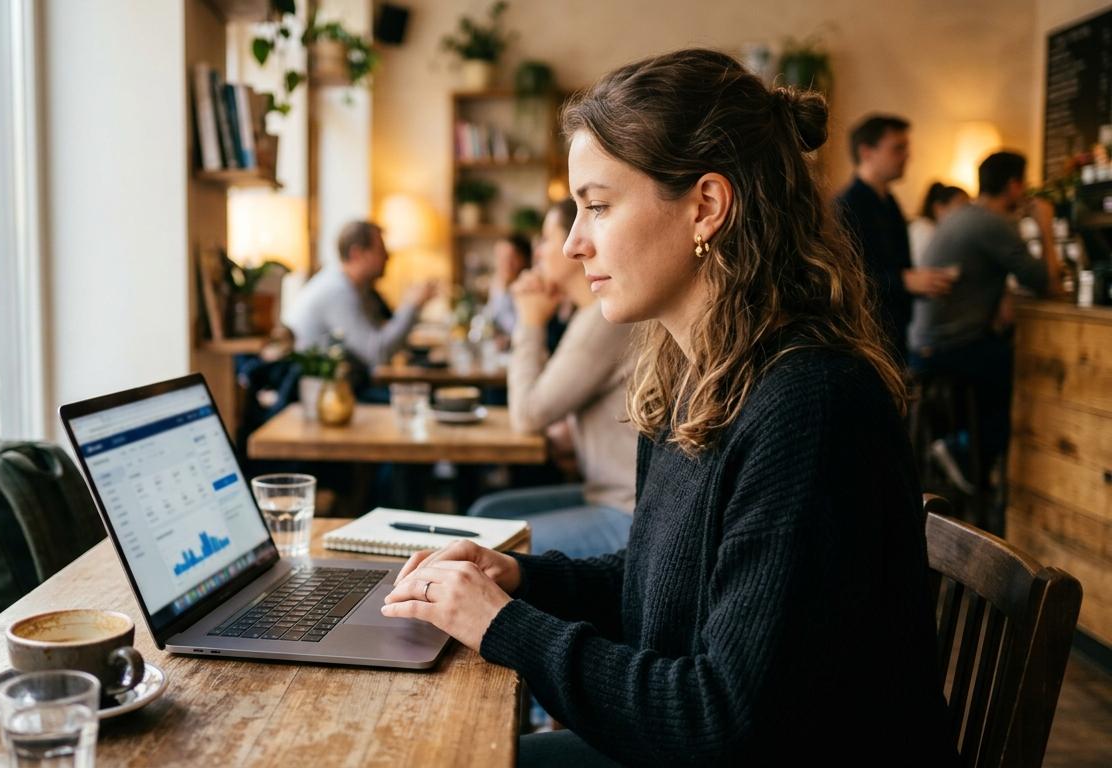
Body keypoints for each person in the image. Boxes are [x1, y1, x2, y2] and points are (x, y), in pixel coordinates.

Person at [381, 49, 955, 766]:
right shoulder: (695, 371)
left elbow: (722, 719)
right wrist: (525, 580)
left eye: (597, 206)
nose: (571, 242)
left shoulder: (812, 406)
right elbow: (656, 581)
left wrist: (504, 627)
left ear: (706, 207)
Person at [467, 198, 636, 558]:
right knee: (486, 514)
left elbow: (526, 415)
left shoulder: (604, 321)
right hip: (602, 493)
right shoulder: (588, 316)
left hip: (626, 513)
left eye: (546, 239)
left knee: (481, 543)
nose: (537, 251)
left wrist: (529, 320)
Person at [910, 151, 1063, 501]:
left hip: (925, 343)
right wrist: (1045, 225)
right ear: (1014, 186)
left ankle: (967, 453)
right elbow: (1048, 283)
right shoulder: (992, 224)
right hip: (946, 347)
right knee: (1023, 372)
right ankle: (963, 452)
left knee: (997, 360)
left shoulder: (964, 215)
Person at [836, 114, 956, 362]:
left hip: (894, 333)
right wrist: (904, 282)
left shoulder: (890, 203)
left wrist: (921, 282)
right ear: (867, 152)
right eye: (898, 148)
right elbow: (843, 279)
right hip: (864, 337)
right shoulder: (846, 207)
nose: (907, 156)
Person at [284, 221, 437, 372]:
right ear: (356, 254)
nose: (387, 257)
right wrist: (411, 306)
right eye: (381, 250)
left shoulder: (358, 288)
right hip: (320, 390)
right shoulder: (337, 291)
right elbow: (377, 354)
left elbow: (387, 340)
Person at [482, 233, 532, 337]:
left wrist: (501, 293)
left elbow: (518, 331)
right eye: (500, 257)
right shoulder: (499, 284)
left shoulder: (529, 290)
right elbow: (489, 319)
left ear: (525, 260)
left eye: (511, 257)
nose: (504, 263)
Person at [910, 182, 971, 263]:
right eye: (961, 208)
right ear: (939, 208)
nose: (967, 214)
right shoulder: (923, 228)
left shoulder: (942, 231)